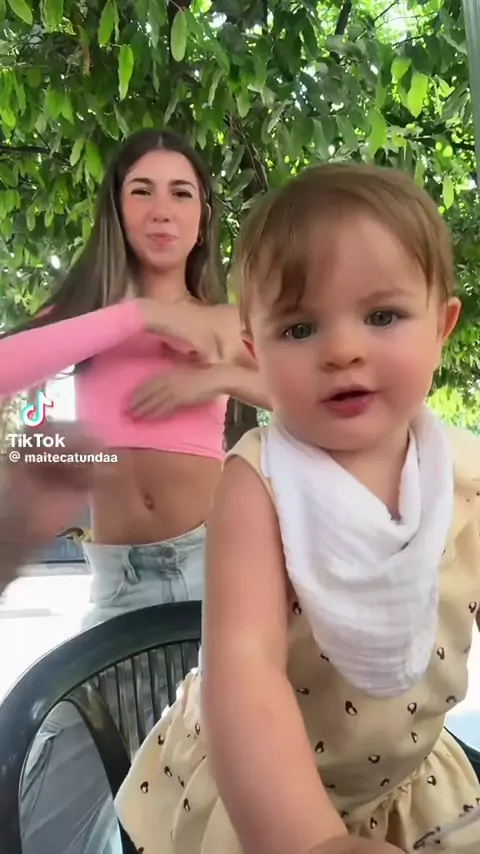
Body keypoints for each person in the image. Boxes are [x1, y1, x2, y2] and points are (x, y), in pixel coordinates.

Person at [115, 163, 480, 854]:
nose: (342, 350)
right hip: (260, 793)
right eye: (300, 328)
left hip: (404, 788)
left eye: (382, 316)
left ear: (442, 327)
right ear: (256, 352)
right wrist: (312, 841)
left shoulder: (465, 475)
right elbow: (245, 671)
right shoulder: (260, 484)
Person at [0, 128, 269, 854]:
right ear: (116, 209)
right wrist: (142, 316)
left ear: (203, 217)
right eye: (141, 191)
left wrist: (217, 375)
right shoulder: (82, 323)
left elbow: (308, 399)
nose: (161, 209)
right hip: (119, 587)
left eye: (181, 193)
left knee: (233, 810)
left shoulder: (226, 323)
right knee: (40, 818)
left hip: (219, 575)